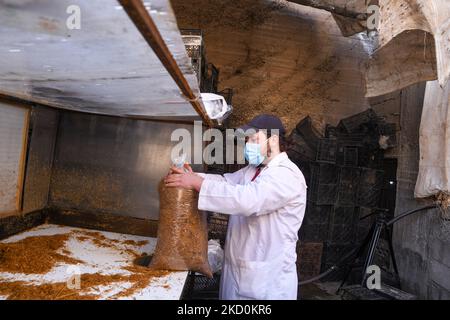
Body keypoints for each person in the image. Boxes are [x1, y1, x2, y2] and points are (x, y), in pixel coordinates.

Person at [164, 114, 307, 300]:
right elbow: (227, 183)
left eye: (254, 139)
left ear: (273, 140)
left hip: (266, 283)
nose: (248, 144)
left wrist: (197, 184)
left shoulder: (287, 175)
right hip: (239, 271)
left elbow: (248, 200)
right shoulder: (254, 169)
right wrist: (193, 177)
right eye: (247, 139)